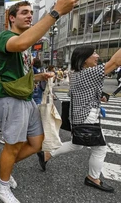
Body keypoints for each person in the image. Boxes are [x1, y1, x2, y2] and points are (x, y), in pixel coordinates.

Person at [0, 0, 81, 202]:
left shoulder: (25, 43)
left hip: (25, 98)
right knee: (12, 145)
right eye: (24, 12)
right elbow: (20, 44)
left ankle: (4, 165)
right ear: (11, 18)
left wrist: (40, 77)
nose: (29, 15)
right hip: (9, 99)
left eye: (31, 12)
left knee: (36, 142)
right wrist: (55, 13)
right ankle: (3, 186)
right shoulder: (6, 36)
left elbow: (20, 71)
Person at [37, 46, 121, 193]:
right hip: (87, 116)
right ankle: (93, 178)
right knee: (100, 149)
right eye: (94, 54)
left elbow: (74, 92)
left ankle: (47, 154)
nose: (97, 56)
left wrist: (96, 95)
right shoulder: (89, 73)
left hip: (79, 115)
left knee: (77, 144)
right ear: (84, 60)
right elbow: (115, 62)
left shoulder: (76, 73)